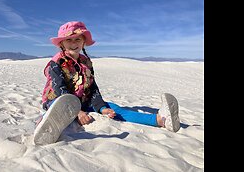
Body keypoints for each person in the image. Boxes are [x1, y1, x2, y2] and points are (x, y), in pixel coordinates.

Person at [34, 21, 180, 145]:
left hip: (83, 101)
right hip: (58, 100)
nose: (73, 43)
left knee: (116, 109)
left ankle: (160, 120)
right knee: (56, 110)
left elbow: (93, 88)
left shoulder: (86, 62)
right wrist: (77, 112)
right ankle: (44, 129)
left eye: (77, 39)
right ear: (62, 43)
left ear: (84, 42)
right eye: (69, 40)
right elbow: (59, 88)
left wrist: (102, 107)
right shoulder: (56, 63)